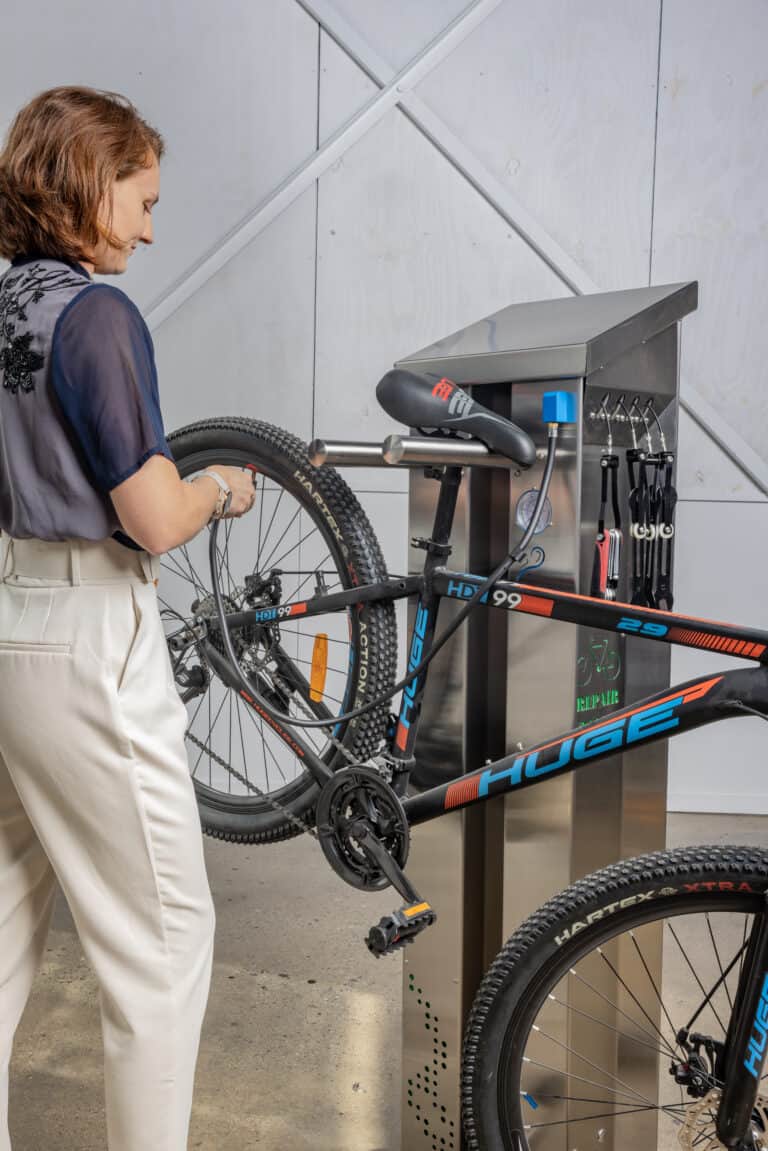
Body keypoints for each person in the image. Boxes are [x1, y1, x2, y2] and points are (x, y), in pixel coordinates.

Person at [0, 86, 256, 1150]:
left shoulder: (8, 304)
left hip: (6, 618)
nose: (150, 225)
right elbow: (150, 515)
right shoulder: (97, 315)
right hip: (88, 633)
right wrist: (221, 490)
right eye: (142, 198)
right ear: (89, 183)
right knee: (163, 942)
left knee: (7, 910)